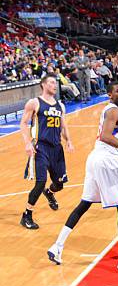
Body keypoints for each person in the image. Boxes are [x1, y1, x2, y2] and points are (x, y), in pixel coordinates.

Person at [47, 82, 118, 271]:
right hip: (107, 161)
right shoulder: (113, 111)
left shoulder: (113, 111)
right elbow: (105, 136)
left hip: (96, 159)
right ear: (110, 95)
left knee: (84, 204)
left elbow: (110, 138)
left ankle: (57, 246)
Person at [20, 75, 74, 229]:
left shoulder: (60, 105)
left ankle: (49, 193)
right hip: (40, 147)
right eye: (51, 82)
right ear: (43, 85)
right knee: (40, 181)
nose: (54, 85)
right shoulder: (35, 103)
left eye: (55, 83)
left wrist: (68, 140)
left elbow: (63, 126)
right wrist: (27, 143)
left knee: (60, 183)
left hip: (57, 148)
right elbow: (23, 123)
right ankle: (27, 215)